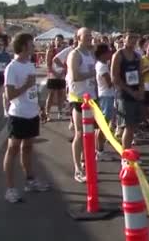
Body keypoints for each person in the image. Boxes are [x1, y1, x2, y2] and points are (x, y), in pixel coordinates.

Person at [3, 33, 50, 203]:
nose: (34, 46)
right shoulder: (12, 67)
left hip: (32, 113)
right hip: (18, 114)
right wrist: (26, 85)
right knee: (13, 150)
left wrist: (41, 107)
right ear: (23, 46)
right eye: (31, 44)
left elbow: (33, 91)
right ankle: (10, 189)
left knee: (28, 148)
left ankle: (30, 181)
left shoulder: (30, 65)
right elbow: (9, 95)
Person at [67, 28, 97, 183]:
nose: (89, 38)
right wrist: (93, 74)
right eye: (86, 36)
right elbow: (76, 76)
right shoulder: (75, 54)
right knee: (80, 133)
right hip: (78, 99)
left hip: (91, 98)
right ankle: (77, 169)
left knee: (90, 133)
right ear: (78, 37)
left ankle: (87, 162)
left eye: (90, 35)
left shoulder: (90, 54)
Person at [111, 32, 144, 151]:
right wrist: (130, 91)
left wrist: (141, 89)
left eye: (135, 38)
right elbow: (114, 78)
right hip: (124, 94)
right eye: (130, 38)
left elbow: (140, 74)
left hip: (136, 93)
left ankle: (128, 151)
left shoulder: (137, 56)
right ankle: (125, 156)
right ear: (124, 40)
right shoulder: (118, 55)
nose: (133, 41)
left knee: (133, 126)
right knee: (128, 126)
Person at [94, 43, 114, 161]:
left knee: (103, 125)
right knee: (103, 125)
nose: (110, 54)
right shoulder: (102, 66)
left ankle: (99, 149)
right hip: (106, 96)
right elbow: (109, 83)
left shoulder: (102, 65)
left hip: (105, 95)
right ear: (103, 54)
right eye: (108, 52)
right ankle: (100, 151)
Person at [45, 34, 66, 121]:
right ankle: (47, 113)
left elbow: (66, 63)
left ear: (62, 41)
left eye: (60, 40)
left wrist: (62, 73)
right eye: (56, 40)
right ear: (54, 41)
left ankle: (60, 112)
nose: (58, 42)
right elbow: (48, 64)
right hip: (52, 75)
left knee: (61, 94)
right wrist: (55, 73)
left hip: (61, 75)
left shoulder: (64, 51)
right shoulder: (51, 51)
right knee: (51, 94)